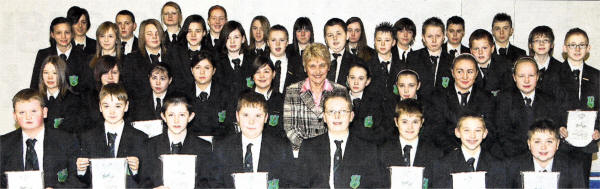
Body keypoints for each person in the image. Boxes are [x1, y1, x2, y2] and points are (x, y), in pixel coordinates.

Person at [297, 92, 384, 188]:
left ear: (351, 116)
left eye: (342, 111)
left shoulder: (368, 150)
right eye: (331, 111)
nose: (337, 116)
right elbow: (299, 185)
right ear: (324, 117)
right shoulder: (308, 147)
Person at [1, 89, 82, 188]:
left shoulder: (66, 140)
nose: (28, 117)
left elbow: (79, 179)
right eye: (22, 112)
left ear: (44, 112)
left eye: (33, 111)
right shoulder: (3, 144)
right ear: (15, 116)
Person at [213, 91, 294, 188]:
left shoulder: (282, 148)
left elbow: (290, 185)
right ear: (237, 116)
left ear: (266, 118)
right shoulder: (222, 148)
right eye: (246, 115)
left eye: (258, 116)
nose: (251, 122)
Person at [75, 83, 147, 188]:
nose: (112, 111)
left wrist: (136, 171)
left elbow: (147, 179)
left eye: (118, 106)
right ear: (100, 107)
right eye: (106, 106)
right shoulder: (88, 137)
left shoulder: (140, 137)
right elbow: (85, 181)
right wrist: (81, 171)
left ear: (126, 106)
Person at [495, 57, 565, 159]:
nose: (526, 80)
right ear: (514, 77)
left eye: (531, 75)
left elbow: (553, 132)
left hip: (543, 156)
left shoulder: (549, 100)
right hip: (512, 156)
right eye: (521, 76)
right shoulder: (503, 99)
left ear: (537, 76)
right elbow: (502, 134)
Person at [283, 43, 348, 150]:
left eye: (322, 65)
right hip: (301, 152)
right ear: (305, 68)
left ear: (328, 67)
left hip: (331, 151)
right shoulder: (292, 90)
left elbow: (343, 126)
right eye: (312, 66)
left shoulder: (340, 90)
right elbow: (290, 129)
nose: (317, 71)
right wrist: (310, 150)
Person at [141, 94, 214, 188]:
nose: (176, 120)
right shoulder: (150, 145)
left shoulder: (204, 147)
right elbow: (143, 183)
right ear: (163, 116)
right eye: (171, 115)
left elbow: (208, 184)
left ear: (190, 117)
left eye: (182, 115)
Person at [557, 27, 600, 186]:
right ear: (564, 48)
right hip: (560, 145)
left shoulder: (596, 76)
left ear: (588, 48)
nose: (577, 49)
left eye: (582, 45)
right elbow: (547, 108)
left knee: (581, 184)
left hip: (585, 146)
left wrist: (598, 129)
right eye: (572, 45)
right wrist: (557, 127)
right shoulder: (554, 75)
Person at [429, 54, 495, 153]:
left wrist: (475, 151)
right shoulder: (438, 97)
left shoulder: (487, 98)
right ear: (452, 72)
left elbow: (491, 131)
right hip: (447, 153)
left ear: (477, 73)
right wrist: (457, 152)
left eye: (470, 72)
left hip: (479, 153)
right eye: (459, 71)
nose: (465, 76)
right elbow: (436, 131)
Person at [430, 113, 506, 188]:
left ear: (485, 133)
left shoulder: (497, 165)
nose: (472, 135)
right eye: (466, 130)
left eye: (478, 130)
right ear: (457, 132)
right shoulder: (442, 165)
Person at [378, 99, 442, 187]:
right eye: (404, 122)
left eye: (415, 122)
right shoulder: (382, 152)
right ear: (396, 122)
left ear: (422, 122)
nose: (410, 127)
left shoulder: (435, 153)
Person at [507, 119, 585, 188]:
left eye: (549, 141)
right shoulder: (513, 166)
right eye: (537, 142)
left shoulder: (573, 167)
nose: (543, 147)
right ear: (529, 144)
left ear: (557, 144)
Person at [31, 17, 90, 94]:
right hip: (48, 103)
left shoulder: (83, 56)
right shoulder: (43, 54)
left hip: (74, 104)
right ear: (52, 34)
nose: (63, 37)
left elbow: (87, 89)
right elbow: (35, 85)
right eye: (59, 33)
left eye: (67, 32)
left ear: (72, 34)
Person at [187, 51, 234, 140]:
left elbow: (229, 126)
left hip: (219, 144)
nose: (202, 72)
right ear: (192, 70)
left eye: (207, 68)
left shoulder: (226, 93)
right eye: (197, 68)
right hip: (191, 144)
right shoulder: (183, 95)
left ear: (214, 70)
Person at [36, 55, 86, 133]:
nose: (50, 77)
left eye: (54, 73)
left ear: (62, 74)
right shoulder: (36, 100)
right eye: (46, 73)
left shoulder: (74, 100)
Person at [405, 17, 452, 96]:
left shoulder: (452, 60)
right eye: (430, 36)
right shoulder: (413, 57)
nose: (434, 40)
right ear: (423, 38)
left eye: (438, 36)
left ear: (444, 36)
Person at [346, 63, 387, 144]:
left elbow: (379, 132)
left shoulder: (376, 103)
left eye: (361, 78)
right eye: (352, 78)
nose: (356, 82)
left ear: (368, 81)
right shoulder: (340, 100)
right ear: (347, 79)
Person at [249, 56, 286, 138]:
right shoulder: (245, 98)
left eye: (266, 72)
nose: (262, 76)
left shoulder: (282, 100)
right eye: (257, 72)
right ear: (253, 76)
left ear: (273, 74)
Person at [468, 29, 512, 95]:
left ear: (492, 48)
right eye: (476, 49)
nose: (480, 52)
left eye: (484, 48)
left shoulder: (504, 66)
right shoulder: (466, 67)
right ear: (471, 51)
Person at [215, 21, 255, 94]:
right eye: (228, 38)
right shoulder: (217, 63)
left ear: (243, 39)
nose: (232, 41)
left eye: (236, 37)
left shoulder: (252, 61)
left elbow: (252, 85)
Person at [367, 22, 402, 100]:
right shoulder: (367, 65)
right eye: (379, 40)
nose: (382, 44)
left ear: (393, 42)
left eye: (387, 40)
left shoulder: (401, 65)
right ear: (374, 42)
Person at [323, 18, 363, 85]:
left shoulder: (356, 62)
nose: (335, 38)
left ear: (347, 35)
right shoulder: (317, 59)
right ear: (325, 39)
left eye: (338, 34)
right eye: (330, 35)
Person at [267, 25, 305, 94]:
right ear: (268, 43)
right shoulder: (259, 62)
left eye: (282, 40)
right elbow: (250, 83)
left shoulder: (297, 64)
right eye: (273, 40)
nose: (277, 44)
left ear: (287, 42)